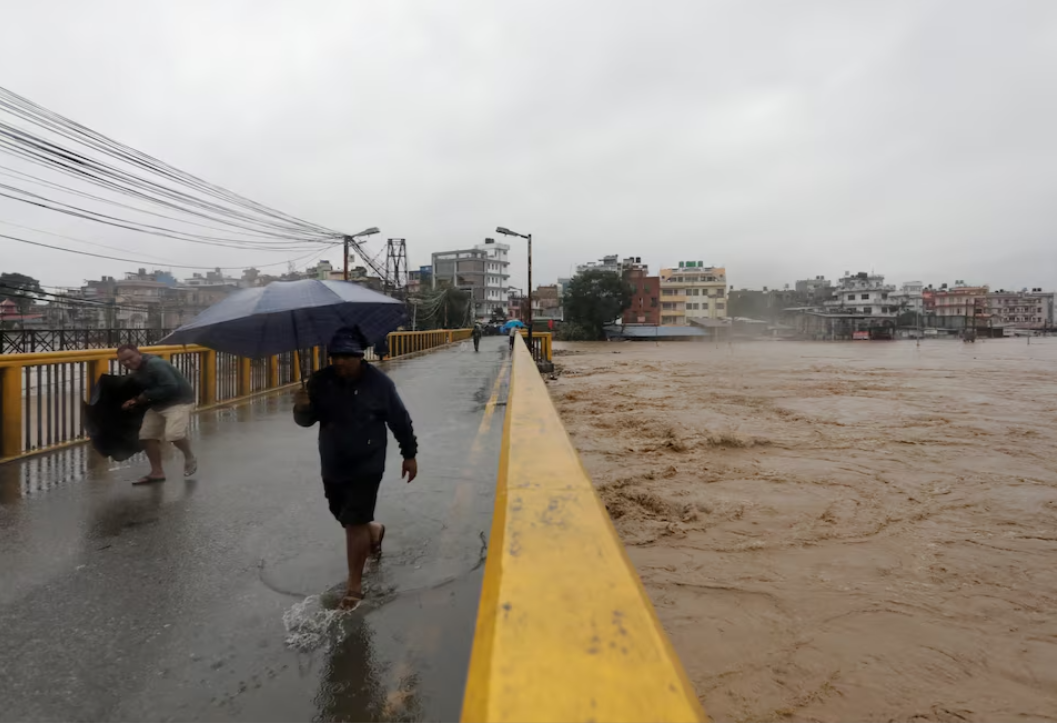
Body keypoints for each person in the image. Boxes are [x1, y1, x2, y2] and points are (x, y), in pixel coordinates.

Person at [293, 326, 418, 610]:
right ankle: (374, 531)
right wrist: (301, 407)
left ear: (360, 356)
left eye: (346, 356)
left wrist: (409, 454)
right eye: (334, 356)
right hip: (333, 460)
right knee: (343, 515)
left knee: (353, 521)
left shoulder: (380, 384)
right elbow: (306, 421)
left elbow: (400, 420)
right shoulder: (320, 381)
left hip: (368, 461)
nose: (339, 362)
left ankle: (354, 586)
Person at [116, 344, 198, 485]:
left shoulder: (155, 365)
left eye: (130, 358)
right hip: (158, 405)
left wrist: (141, 398)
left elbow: (170, 386)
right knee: (147, 436)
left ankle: (189, 456)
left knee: (174, 434)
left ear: (138, 353)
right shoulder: (138, 371)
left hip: (179, 402)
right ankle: (157, 472)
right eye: (123, 361)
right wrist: (134, 401)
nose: (128, 363)